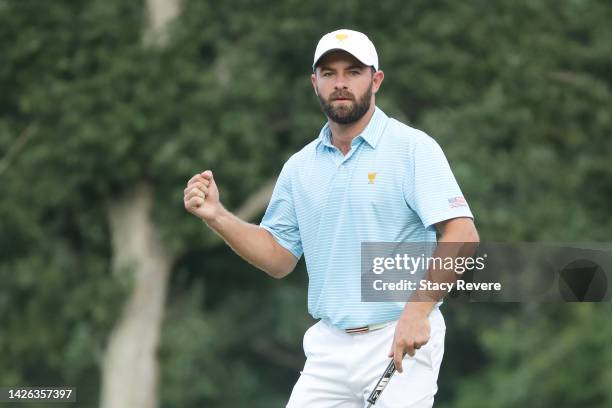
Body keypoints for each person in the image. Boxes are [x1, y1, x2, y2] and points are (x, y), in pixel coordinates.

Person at [184, 28, 479, 407]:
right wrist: (217, 215)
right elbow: (278, 257)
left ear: (376, 80)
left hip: (400, 336)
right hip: (328, 348)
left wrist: (418, 311)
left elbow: (462, 232)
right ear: (315, 83)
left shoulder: (412, 149)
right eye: (329, 73)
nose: (340, 83)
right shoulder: (299, 167)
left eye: (353, 72)